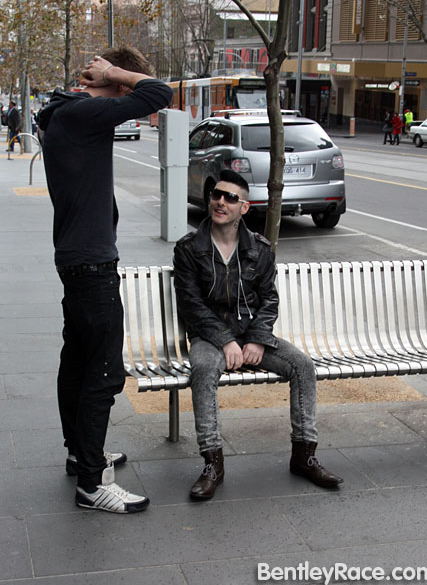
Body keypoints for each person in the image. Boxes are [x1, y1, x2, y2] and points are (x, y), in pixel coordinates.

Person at [38, 47, 172, 513]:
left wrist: (113, 76)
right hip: (91, 264)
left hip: (78, 258)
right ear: (113, 82)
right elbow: (160, 94)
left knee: (77, 363)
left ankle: (81, 454)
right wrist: (115, 72)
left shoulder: (66, 113)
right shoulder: (83, 112)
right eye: (124, 84)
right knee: (104, 371)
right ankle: (93, 484)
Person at [173, 169, 343, 501]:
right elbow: (191, 304)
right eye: (216, 195)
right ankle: (213, 464)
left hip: (251, 335)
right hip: (209, 337)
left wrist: (256, 338)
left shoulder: (260, 249)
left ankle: (304, 455)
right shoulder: (189, 248)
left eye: (230, 198)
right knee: (204, 369)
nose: (221, 202)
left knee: (302, 366)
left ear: (244, 207)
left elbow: (269, 300)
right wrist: (225, 340)